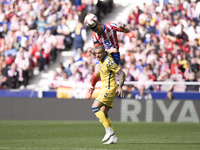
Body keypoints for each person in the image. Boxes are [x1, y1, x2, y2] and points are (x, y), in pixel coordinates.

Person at [84, 13, 129, 99]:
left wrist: (123, 28)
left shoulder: (110, 26)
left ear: (100, 23)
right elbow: (98, 53)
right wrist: (96, 52)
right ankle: (91, 87)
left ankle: (113, 92)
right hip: (104, 55)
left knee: (111, 75)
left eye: (97, 28)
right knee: (97, 71)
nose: (96, 31)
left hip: (114, 55)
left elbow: (128, 31)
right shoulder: (95, 36)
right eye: (94, 30)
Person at [91, 45, 126, 144]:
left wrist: (120, 87)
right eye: (96, 53)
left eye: (99, 53)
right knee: (104, 112)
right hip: (106, 88)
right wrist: (92, 52)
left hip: (109, 89)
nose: (97, 55)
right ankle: (113, 137)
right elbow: (99, 53)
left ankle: (109, 131)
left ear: (104, 53)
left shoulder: (109, 62)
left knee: (95, 108)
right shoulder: (101, 57)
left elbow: (122, 73)